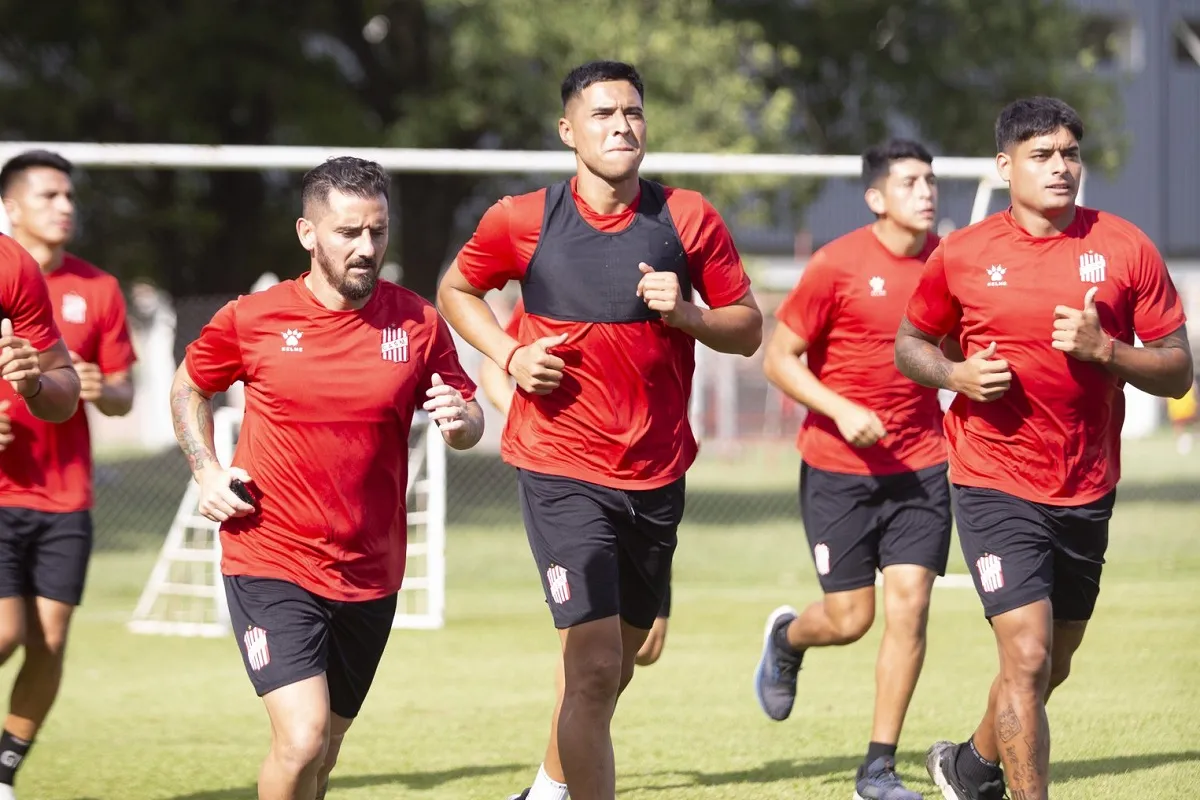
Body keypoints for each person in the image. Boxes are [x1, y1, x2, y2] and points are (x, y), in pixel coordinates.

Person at [437, 60, 762, 800]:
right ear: (568, 131)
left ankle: (546, 791)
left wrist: (688, 315)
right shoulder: (522, 219)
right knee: (590, 667)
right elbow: (457, 289)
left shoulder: (688, 218)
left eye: (633, 113)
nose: (622, 125)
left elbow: (747, 331)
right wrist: (509, 354)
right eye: (604, 114)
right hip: (557, 468)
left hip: (655, 474)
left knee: (624, 660)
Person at [894, 97, 1192, 800]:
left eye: (1070, 154)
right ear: (1005, 167)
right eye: (1042, 155)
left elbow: (1179, 368)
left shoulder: (1125, 248)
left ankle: (969, 767)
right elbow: (911, 344)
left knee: (1052, 662)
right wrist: (956, 374)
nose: (1061, 167)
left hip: (1087, 483)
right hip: (992, 479)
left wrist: (1107, 351)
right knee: (1025, 657)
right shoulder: (962, 255)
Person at [170, 156, 484, 800]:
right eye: (348, 233)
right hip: (270, 557)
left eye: (377, 231)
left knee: (325, 754)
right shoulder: (253, 318)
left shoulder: (418, 323)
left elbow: (470, 416)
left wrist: (460, 422)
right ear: (308, 234)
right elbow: (188, 387)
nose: (366, 249)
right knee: (302, 737)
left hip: (370, 571)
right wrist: (204, 469)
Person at [754, 139, 950, 800]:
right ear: (876, 198)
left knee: (911, 607)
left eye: (931, 180)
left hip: (922, 465)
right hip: (837, 467)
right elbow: (779, 359)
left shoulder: (948, 264)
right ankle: (788, 638)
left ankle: (878, 768)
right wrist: (840, 409)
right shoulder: (836, 264)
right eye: (910, 182)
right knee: (849, 619)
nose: (926, 192)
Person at [0, 150, 136, 799]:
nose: (65, 207)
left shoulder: (98, 289)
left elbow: (122, 393)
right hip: (2, 490)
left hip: (64, 492)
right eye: (50, 195)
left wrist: (90, 387)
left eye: (70, 196)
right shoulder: (11, 270)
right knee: (6, 630)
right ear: (13, 205)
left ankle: (3, 773)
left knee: (48, 641)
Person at [477, 295, 672, 666]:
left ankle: (588, 725)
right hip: (572, 480)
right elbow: (493, 370)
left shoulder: (668, 282)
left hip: (648, 481)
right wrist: (528, 427)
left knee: (643, 650)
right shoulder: (557, 285)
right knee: (590, 651)